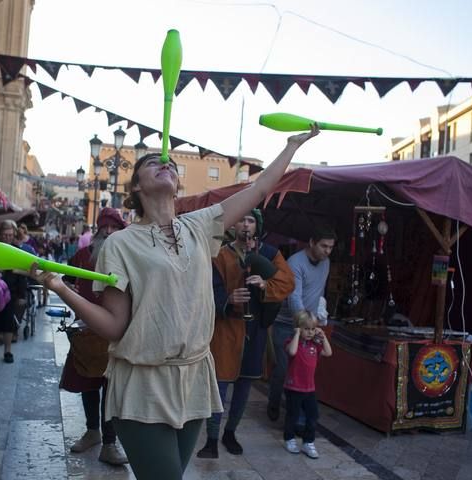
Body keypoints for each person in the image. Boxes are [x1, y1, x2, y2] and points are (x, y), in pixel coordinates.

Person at [30, 126, 320, 479]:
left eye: (168, 162)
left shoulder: (199, 225)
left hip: (195, 376)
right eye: (153, 163)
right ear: (136, 186)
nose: (164, 163)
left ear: (178, 184)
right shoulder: (120, 244)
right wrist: (61, 289)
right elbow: (114, 325)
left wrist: (291, 146)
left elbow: (259, 188)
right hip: (143, 381)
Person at [197, 210, 294, 459]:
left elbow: (287, 283)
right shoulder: (219, 254)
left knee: (244, 385)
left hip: (255, 329)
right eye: (241, 219)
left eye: (250, 221)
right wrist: (228, 300)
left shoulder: (270, 253)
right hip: (226, 328)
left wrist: (265, 285)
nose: (246, 225)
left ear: (257, 226)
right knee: (219, 386)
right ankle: (211, 439)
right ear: (234, 225)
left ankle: (230, 433)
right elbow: (206, 289)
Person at [61, 208, 128, 466]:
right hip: (87, 333)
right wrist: (71, 291)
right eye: (104, 228)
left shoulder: (128, 257)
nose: (109, 232)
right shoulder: (82, 256)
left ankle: (109, 444)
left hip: (117, 335)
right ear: (98, 230)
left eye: (114, 227)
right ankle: (92, 432)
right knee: (88, 385)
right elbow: (65, 280)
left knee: (112, 391)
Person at [267, 226, 336, 422]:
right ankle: (273, 404)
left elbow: (319, 292)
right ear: (312, 242)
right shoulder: (295, 262)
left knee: (304, 370)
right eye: (324, 246)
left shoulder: (326, 263)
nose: (327, 251)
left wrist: (316, 320)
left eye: (331, 247)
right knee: (282, 369)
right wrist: (304, 325)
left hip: (308, 326)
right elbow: (294, 297)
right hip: (286, 323)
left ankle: (295, 416)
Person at [282, 310, 332, 458]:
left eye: (312, 329)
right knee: (293, 415)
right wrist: (297, 334)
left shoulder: (314, 345)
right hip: (293, 387)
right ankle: (289, 439)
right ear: (298, 328)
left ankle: (308, 442)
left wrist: (323, 338)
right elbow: (291, 352)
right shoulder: (291, 343)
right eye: (306, 329)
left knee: (313, 415)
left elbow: (328, 353)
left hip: (309, 388)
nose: (310, 332)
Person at [0, 220, 28, 363]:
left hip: (11, 291)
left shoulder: (17, 250)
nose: (8, 238)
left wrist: (22, 294)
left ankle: (7, 351)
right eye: (5, 235)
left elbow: (22, 273)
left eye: (10, 235)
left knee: (9, 322)